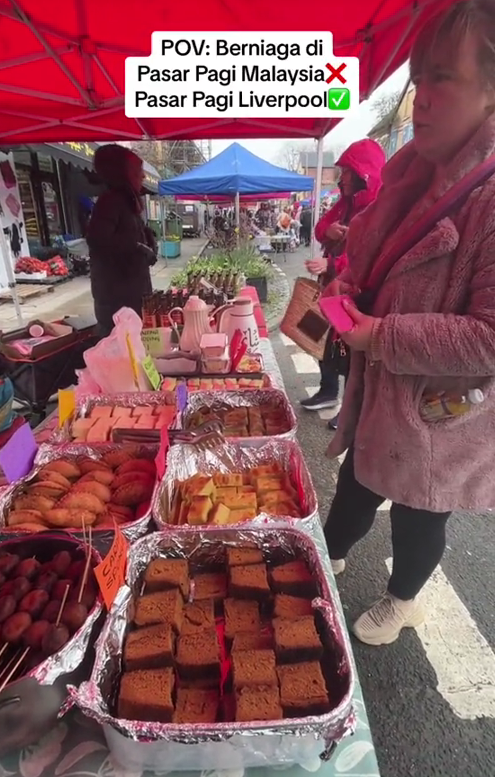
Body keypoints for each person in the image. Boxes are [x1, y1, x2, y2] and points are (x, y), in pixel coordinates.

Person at [323, 0, 495, 646]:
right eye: (418, 77)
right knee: (356, 481)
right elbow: (376, 263)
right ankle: (328, 551)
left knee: (419, 511)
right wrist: (348, 285)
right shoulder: (409, 175)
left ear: (490, 89)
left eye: (442, 77)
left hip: (436, 412)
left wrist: (380, 335)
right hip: (380, 396)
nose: (421, 97)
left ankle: (404, 597)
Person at [300, 140, 386, 413]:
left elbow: (371, 253)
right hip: (332, 288)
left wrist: (332, 264)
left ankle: (351, 411)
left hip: (359, 294)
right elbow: (319, 228)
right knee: (322, 339)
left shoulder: (379, 207)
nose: (342, 177)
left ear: (364, 174)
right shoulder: (345, 203)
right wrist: (330, 230)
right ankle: (328, 392)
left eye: (348, 171)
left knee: (351, 351)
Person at [86, 144, 157, 337]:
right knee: (123, 348)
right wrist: (137, 247)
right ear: (123, 173)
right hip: (116, 300)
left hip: (131, 291)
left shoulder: (127, 201)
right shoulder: (109, 202)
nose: (142, 176)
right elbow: (98, 241)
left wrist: (147, 237)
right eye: (138, 171)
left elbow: (126, 235)